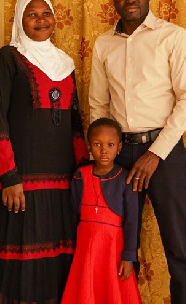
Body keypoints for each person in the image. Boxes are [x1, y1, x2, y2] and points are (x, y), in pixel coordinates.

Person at [89, 0, 186, 303]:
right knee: (123, 246)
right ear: (114, 0)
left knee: (178, 246)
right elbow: (98, 105)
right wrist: (105, 154)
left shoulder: (172, 36)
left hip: (164, 154)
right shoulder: (103, 44)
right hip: (119, 156)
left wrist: (156, 153)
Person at [0, 0, 88, 304]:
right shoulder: (7, 59)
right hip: (22, 183)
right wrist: (9, 177)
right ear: (20, 20)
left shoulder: (66, 64)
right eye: (32, 14)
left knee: (58, 262)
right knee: (21, 266)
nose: (41, 20)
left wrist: (84, 176)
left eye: (46, 13)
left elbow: (75, 125)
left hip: (62, 183)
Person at [62, 117, 141, 304]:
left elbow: (132, 221)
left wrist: (129, 257)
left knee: (112, 291)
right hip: (85, 252)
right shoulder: (80, 177)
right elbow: (73, 216)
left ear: (119, 147)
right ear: (89, 147)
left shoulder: (126, 179)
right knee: (86, 290)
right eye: (97, 144)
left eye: (110, 144)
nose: (104, 150)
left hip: (113, 252)